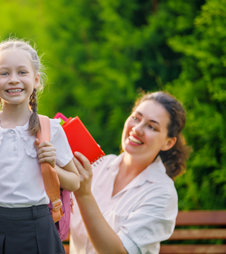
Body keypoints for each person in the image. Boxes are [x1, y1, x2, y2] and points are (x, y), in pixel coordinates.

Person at [0, 38, 80, 254]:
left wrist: (53, 165)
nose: (13, 80)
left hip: (39, 226)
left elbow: (75, 182)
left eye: (22, 72)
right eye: (4, 73)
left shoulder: (51, 129)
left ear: (36, 80)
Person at [68, 91, 190, 254]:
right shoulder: (99, 166)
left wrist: (84, 195)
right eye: (136, 118)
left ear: (168, 142)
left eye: (151, 126)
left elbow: (118, 252)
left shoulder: (162, 193)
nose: (137, 129)